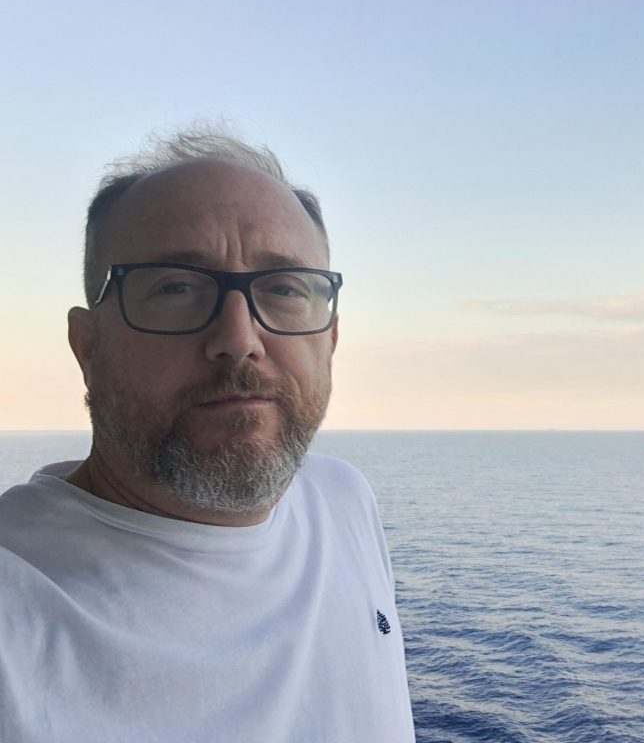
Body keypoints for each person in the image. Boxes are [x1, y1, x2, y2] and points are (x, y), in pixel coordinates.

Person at [0, 127, 415, 742]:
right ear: (88, 346)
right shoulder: (17, 610)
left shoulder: (342, 499)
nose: (239, 340)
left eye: (284, 288)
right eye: (176, 287)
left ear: (329, 340)